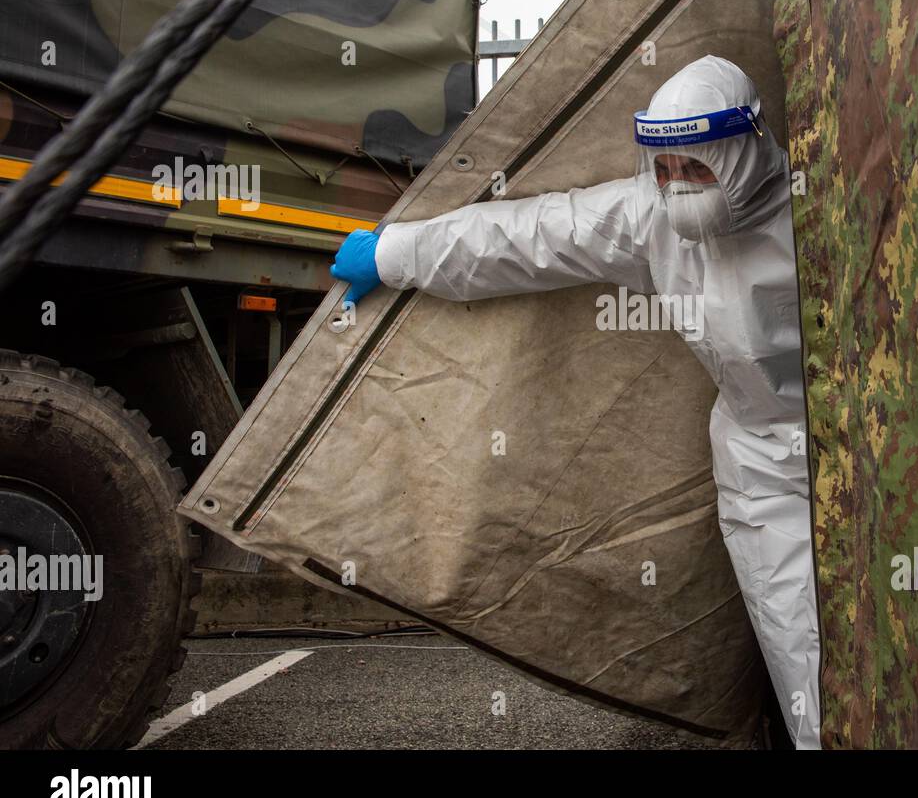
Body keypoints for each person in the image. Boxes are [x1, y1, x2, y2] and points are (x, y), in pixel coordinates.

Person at [331, 55, 822, 748]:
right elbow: (530, 238)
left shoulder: (821, 207)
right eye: (666, 169)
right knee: (803, 655)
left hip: (868, 444)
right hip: (761, 457)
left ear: (740, 152)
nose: (679, 188)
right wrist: (397, 254)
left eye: (697, 169)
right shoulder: (650, 215)